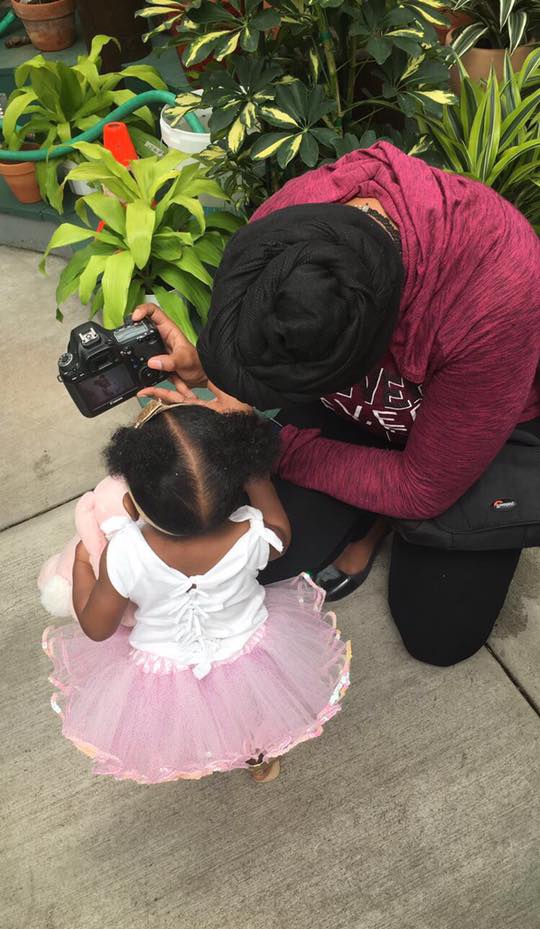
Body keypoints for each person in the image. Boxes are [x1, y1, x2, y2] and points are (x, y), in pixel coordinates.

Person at [133, 142, 540, 669]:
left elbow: (423, 486)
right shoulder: (297, 218)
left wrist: (272, 446)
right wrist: (212, 368)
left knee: (440, 636)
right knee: (239, 560)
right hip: (356, 407)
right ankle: (369, 514)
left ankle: (377, 518)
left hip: (475, 436)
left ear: (376, 350)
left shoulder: (495, 297)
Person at [42, 399, 350, 784]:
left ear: (129, 501)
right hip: (250, 650)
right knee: (253, 710)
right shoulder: (251, 535)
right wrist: (257, 475)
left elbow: (98, 627)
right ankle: (259, 760)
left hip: (166, 670)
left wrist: (83, 564)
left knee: (189, 724)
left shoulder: (124, 552)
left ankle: (212, 751)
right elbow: (280, 536)